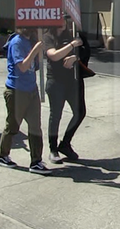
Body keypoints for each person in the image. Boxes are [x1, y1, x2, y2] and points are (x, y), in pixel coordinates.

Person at [0, 28, 51, 175]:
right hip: (16, 91)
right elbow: (23, 67)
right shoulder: (16, 42)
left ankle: (36, 161)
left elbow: (33, 67)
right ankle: (2, 155)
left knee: (35, 127)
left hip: (31, 90)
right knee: (13, 125)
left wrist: (39, 50)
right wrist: (35, 50)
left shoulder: (29, 41)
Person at [43, 16, 85, 162]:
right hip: (55, 81)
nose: (63, 22)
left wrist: (75, 58)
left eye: (64, 19)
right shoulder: (48, 37)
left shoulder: (71, 35)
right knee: (56, 116)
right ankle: (53, 150)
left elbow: (84, 53)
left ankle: (65, 143)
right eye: (59, 19)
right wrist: (72, 46)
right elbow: (54, 56)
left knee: (80, 112)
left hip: (71, 81)